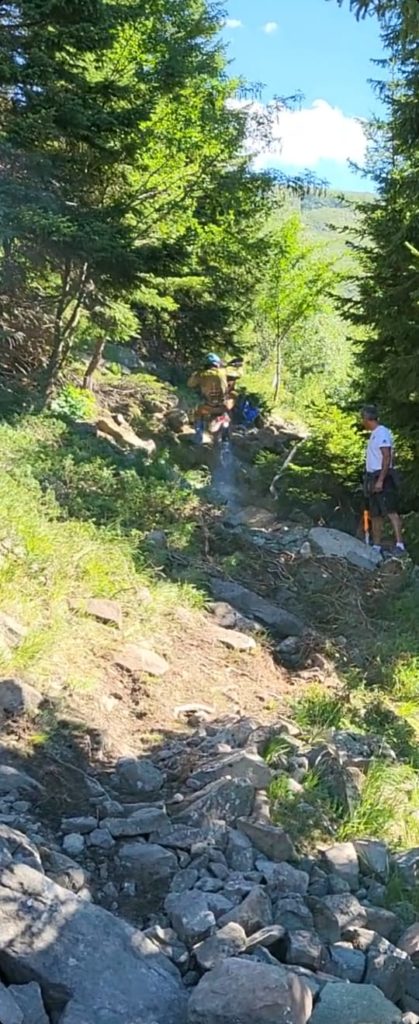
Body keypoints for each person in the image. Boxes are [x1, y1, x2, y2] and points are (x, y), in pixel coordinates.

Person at [361, 404, 406, 556]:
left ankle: (400, 544)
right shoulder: (374, 434)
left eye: (363, 419)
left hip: (383, 476)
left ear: (367, 419)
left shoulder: (382, 433)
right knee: (376, 513)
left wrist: (381, 479)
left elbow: (387, 456)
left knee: (390, 510)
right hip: (372, 476)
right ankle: (376, 545)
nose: (362, 422)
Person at [187, 353, 229, 443]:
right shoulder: (223, 372)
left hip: (207, 406)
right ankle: (225, 438)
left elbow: (190, 384)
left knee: (198, 413)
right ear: (217, 363)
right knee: (225, 414)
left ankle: (198, 437)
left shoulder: (201, 374)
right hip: (222, 405)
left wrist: (196, 374)